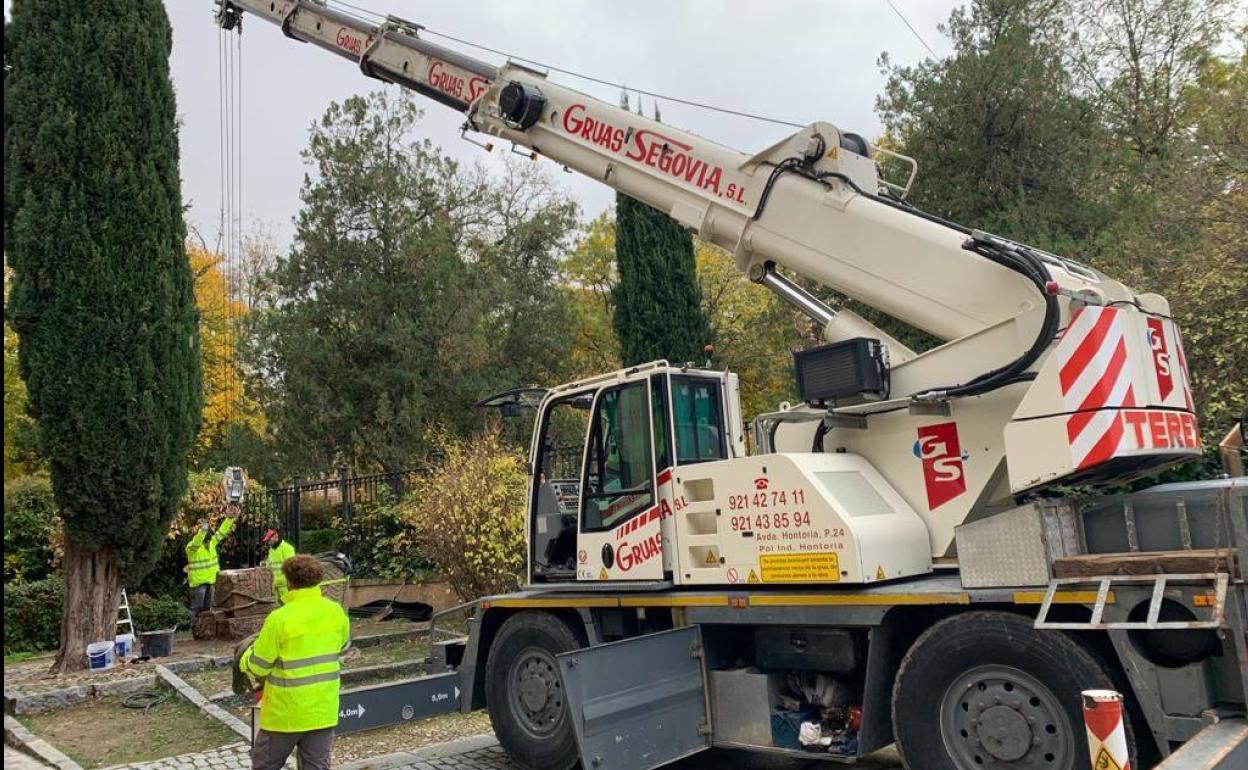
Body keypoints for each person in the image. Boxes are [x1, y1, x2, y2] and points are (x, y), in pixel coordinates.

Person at [240, 555, 350, 770]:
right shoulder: (335, 612)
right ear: (319, 580)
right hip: (323, 712)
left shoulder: (279, 618)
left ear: (289, 582)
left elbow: (258, 665)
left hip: (285, 715)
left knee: (264, 765)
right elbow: (342, 646)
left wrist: (244, 658)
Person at [186, 511, 236, 620]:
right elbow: (197, 541)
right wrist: (203, 531)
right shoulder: (192, 548)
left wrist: (230, 519)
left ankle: (206, 629)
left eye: (209, 541)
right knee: (197, 608)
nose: (208, 543)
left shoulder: (212, 543)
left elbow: (221, 532)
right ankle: (195, 627)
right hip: (198, 583)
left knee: (208, 608)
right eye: (206, 542)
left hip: (211, 581)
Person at [261, 529, 297, 603]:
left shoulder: (287, 548)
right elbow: (270, 564)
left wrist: (291, 582)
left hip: (285, 585)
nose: (268, 542)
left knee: (289, 605)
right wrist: (264, 564)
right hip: (275, 584)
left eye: (269, 540)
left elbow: (291, 566)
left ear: (275, 537)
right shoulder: (271, 550)